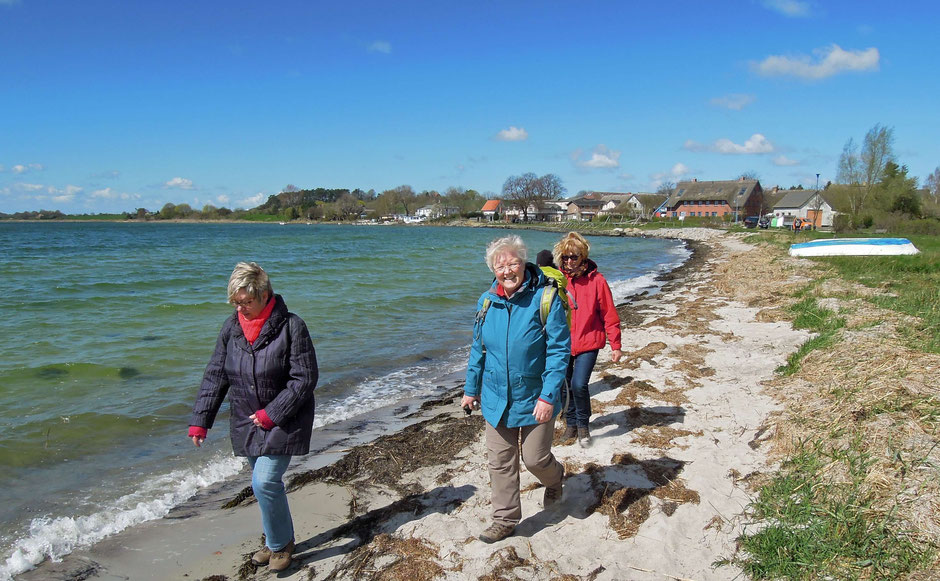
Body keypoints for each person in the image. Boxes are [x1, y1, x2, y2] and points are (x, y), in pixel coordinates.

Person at [189, 262, 318, 572]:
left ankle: (280, 545)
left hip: (285, 420)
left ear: (264, 294)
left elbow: (305, 378)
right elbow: (216, 375)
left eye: (247, 301)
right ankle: (278, 539)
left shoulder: (292, 326)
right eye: (236, 302)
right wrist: (201, 419)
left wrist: (272, 414)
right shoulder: (230, 328)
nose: (241, 308)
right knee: (264, 486)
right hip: (247, 422)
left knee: (265, 482)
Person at [463, 235, 571, 543]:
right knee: (500, 462)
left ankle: (555, 478)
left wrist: (549, 395)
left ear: (523, 264)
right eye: (500, 265)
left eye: (513, 263)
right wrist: (471, 390)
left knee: (535, 459)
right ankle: (505, 520)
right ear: (493, 269)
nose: (507, 270)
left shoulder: (544, 299)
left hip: (536, 397)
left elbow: (559, 351)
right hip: (497, 398)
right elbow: (478, 350)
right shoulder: (487, 303)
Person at [553, 232, 622, 448]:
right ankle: (570, 424)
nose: (569, 262)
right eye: (565, 257)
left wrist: (616, 345)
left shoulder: (597, 281)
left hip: (589, 341)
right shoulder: (556, 281)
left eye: (574, 257)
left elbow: (609, 314)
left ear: (583, 257)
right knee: (564, 387)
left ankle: (583, 425)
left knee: (579, 385)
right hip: (562, 344)